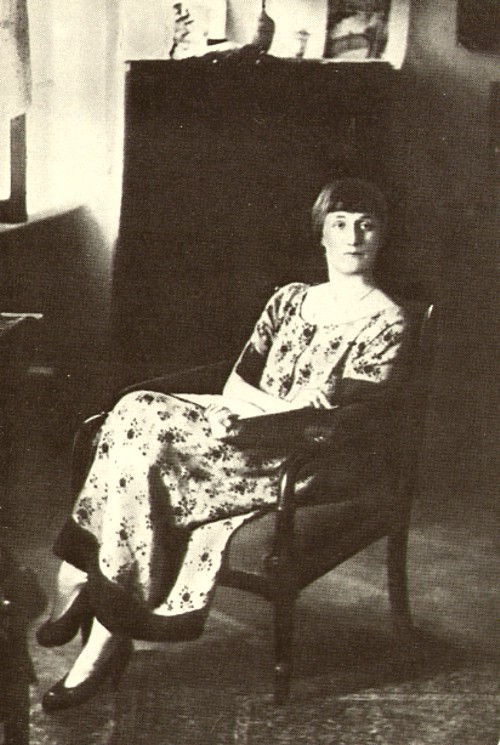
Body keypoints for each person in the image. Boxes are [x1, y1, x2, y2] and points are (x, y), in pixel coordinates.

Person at [38, 177, 413, 712]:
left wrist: (263, 417)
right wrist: (244, 412)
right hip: (241, 429)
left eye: (366, 225)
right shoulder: (290, 300)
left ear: (382, 236)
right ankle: (103, 609)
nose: (353, 237)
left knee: (143, 428)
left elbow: (330, 421)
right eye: (340, 224)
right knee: (134, 410)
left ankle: (85, 585)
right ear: (321, 235)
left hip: (296, 457)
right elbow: (239, 380)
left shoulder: (388, 322)